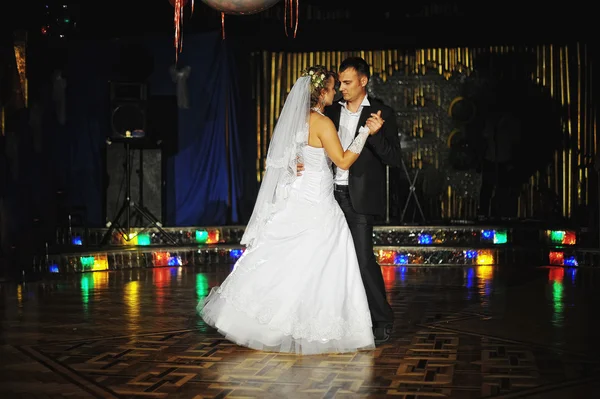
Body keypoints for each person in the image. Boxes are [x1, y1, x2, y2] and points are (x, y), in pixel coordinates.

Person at [197, 65, 386, 355]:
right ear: (321, 91)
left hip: (297, 196)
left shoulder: (295, 121)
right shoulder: (322, 123)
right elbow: (344, 161)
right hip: (318, 201)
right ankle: (311, 325)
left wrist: (293, 165)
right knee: (321, 261)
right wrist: (364, 132)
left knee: (289, 260)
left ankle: (269, 320)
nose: (335, 93)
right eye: (333, 88)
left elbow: (282, 161)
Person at [324, 57, 402, 343]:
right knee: (332, 260)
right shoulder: (330, 112)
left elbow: (393, 158)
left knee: (362, 258)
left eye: (347, 82)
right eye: (340, 83)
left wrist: (376, 135)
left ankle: (382, 318)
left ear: (363, 80)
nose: (342, 88)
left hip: (358, 197)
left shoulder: (382, 112)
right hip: (327, 195)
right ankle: (343, 319)